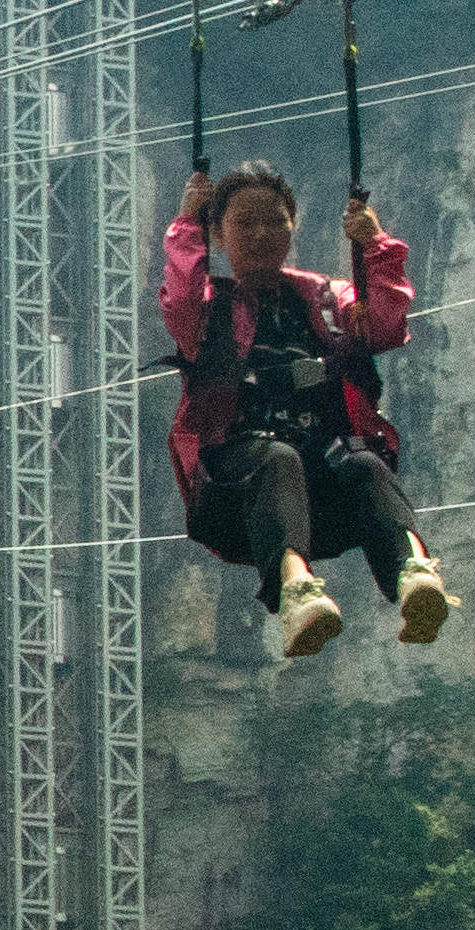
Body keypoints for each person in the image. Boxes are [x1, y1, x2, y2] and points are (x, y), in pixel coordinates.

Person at [158, 162, 458, 655]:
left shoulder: (324, 298)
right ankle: (296, 591)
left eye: (274, 221)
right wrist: (187, 220)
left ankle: (414, 575)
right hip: (236, 488)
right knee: (277, 459)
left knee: (364, 463)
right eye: (244, 222)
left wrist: (375, 247)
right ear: (219, 233)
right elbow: (181, 299)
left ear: (292, 227)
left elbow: (382, 326)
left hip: (322, 482)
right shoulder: (209, 309)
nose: (261, 234)